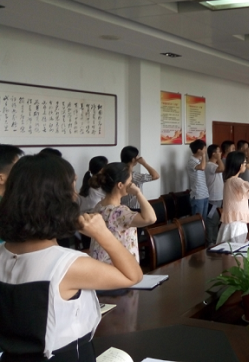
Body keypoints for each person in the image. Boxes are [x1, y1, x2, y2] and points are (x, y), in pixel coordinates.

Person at [0, 154, 142, 361]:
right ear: (58, 201)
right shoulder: (67, 264)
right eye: (71, 188)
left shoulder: (3, 252)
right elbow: (133, 275)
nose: (75, 196)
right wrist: (102, 234)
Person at [89, 162, 157, 264]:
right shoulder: (120, 212)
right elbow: (151, 218)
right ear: (120, 185)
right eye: (130, 182)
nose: (132, 185)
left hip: (102, 262)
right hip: (119, 265)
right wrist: (138, 193)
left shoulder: (99, 206)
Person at [216, 152, 249, 243]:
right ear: (240, 165)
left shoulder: (230, 180)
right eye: (245, 162)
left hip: (233, 223)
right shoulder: (236, 181)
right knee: (236, 249)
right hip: (236, 224)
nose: (246, 165)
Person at [120, 146, 159, 211]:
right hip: (134, 208)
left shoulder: (119, 172)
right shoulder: (134, 176)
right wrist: (144, 163)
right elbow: (156, 176)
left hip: (122, 207)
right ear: (133, 159)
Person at [205, 144, 225, 246]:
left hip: (218, 198)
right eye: (218, 151)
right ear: (213, 154)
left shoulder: (214, 165)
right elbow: (222, 168)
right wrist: (219, 159)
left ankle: (215, 241)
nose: (220, 153)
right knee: (211, 220)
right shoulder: (209, 165)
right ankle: (211, 242)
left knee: (216, 220)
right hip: (213, 198)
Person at [187, 139, 210, 218]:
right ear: (199, 150)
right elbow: (202, 167)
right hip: (197, 195)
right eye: (204, 148)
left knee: (204, 220)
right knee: (197, 220)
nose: (206, 150)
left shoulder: (200, 160)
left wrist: (203, 157)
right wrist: (203, 155)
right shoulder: (191, 161)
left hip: (205, 194)